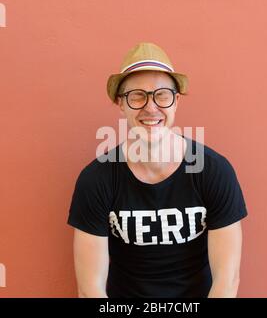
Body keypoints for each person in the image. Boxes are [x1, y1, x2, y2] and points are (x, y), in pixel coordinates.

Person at [67, 42, 248, 298]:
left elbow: (227, 281)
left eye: (162, 95)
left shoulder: (213, 171)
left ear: (176, 102)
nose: (151, 108)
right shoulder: (97, 180)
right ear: (121, 103)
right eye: (137, 95)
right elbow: (90, 290)